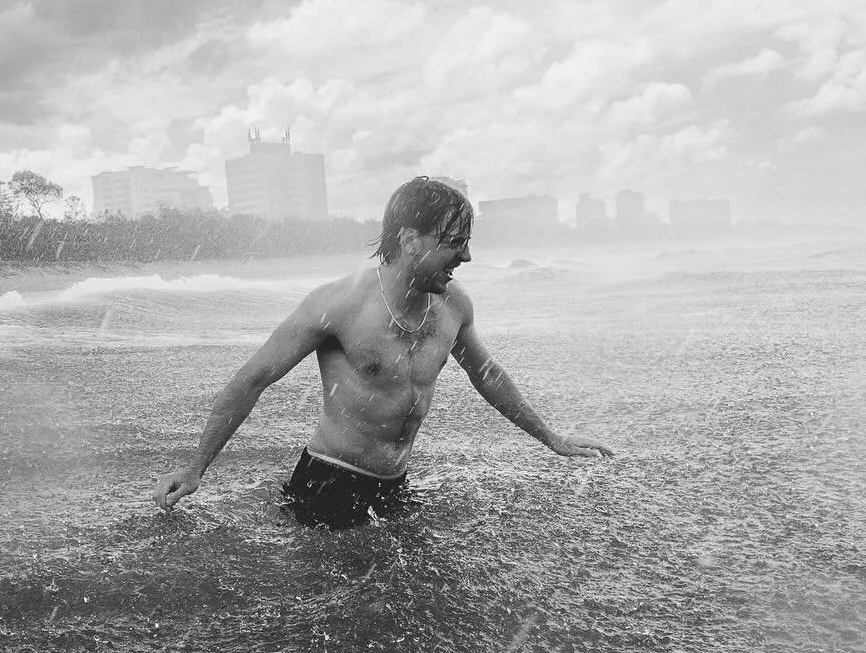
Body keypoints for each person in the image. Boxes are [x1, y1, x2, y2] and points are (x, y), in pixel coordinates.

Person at [152, 177, 614, 528]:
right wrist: (196, 468)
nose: (468, 257)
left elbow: (487, 375)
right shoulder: (339, 304)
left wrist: (552, 439)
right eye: (455, 244)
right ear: (412, 240)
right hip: (328, 484)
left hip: (395, 485)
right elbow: (251, 379)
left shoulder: (453, 305)